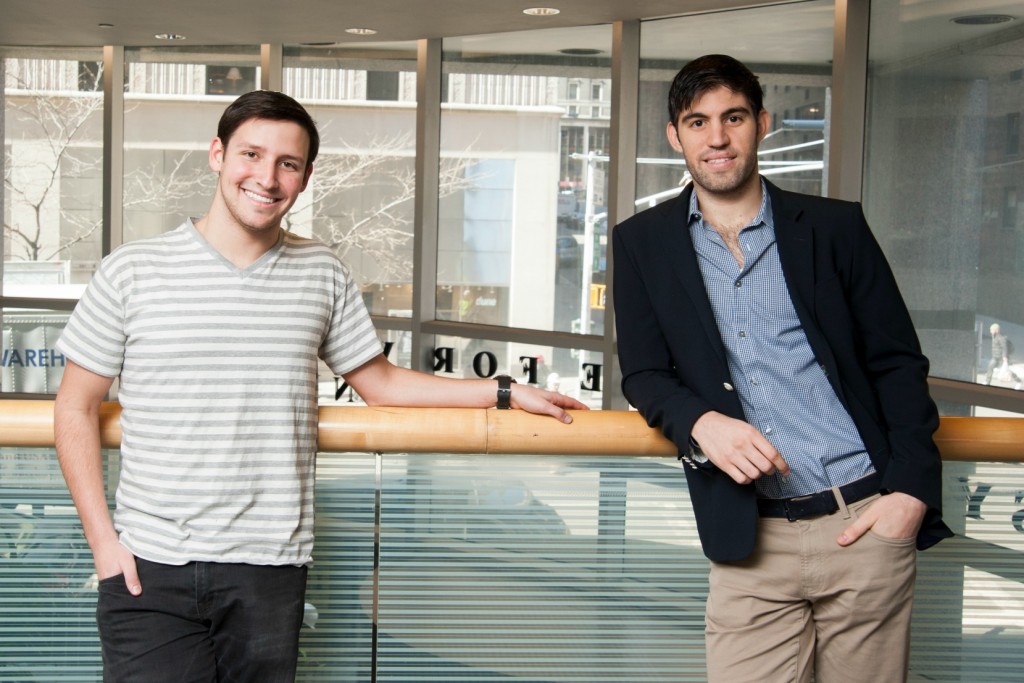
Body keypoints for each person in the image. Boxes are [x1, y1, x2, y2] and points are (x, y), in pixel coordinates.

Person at [53, 90, 587, 682]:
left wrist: (504, 392)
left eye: (288, 163)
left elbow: (381, 383)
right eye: (251, 154)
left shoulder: (322, 271)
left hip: (270, 568)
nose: (267, 177)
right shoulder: (132, 269)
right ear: (217, 155)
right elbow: (75, 407)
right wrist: (104, 543)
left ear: (305, 177)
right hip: (146, 561)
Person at [612, 54, 952, 682]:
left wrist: (908, 495)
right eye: (698, 121)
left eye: (733, 117)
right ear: (675, 135)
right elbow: (644, 373)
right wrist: (701, 423)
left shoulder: (834, 228)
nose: (717, 138)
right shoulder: (641, 242)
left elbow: (897, 362)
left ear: (761, 123)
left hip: (866, 521)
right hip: (748, 539)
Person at [983, 322, 1023, 389]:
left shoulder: (1001, 338)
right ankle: (987, 381)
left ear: (996, 330)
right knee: (990, 367)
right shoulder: (994, 337)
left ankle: (1018, 381)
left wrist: (1004, 357)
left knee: (1007, 371)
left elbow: (1004, 348)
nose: (990, 331)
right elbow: (990, 339)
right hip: (995, 357)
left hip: (1001, 358)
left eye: (992, 330)